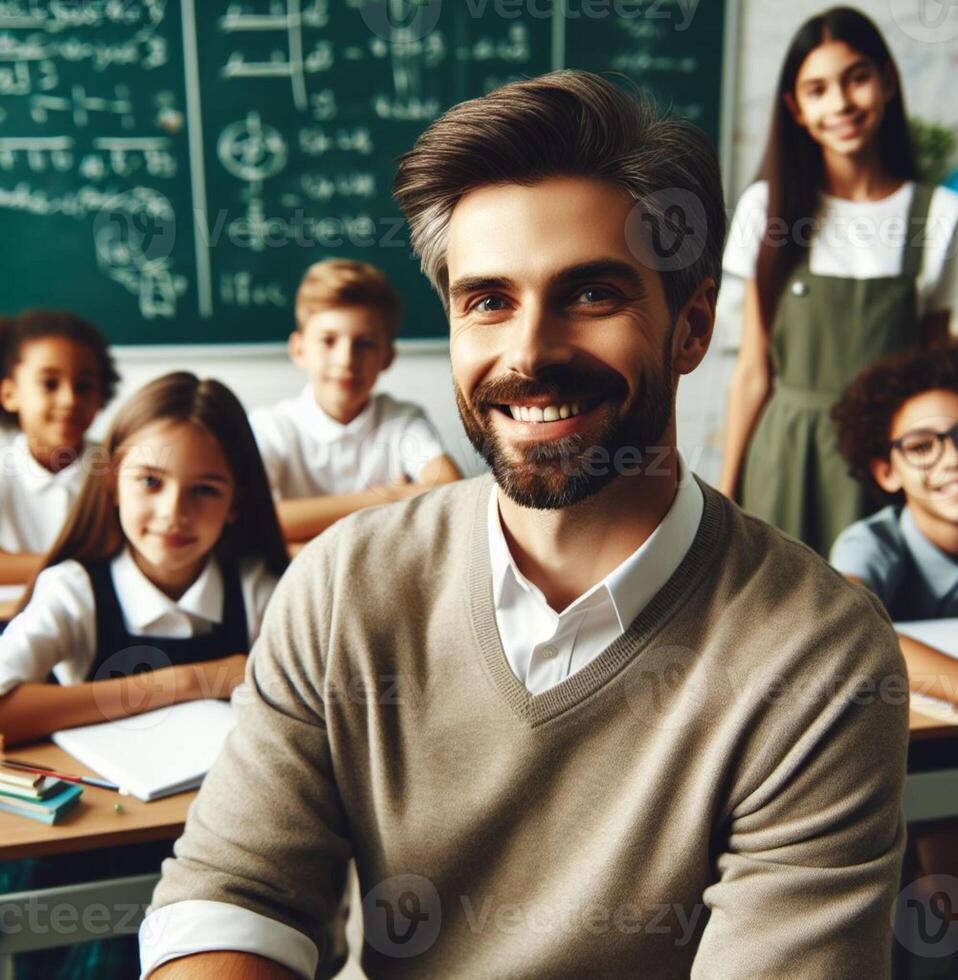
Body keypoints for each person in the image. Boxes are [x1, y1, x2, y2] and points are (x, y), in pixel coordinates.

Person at [140, 71, 907, 979]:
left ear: (692, 327)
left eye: (591, 294)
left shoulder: (819, 660)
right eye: (489, 300)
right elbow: (231, 897)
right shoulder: (343, 586)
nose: (530, 352)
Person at [0, 371, 288, 979]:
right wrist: (189, 681)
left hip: (225, 844)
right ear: (112, 484)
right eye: (150, 482)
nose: (172, 513)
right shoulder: (74, 588)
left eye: (204, 490)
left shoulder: (257, 585)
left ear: (237, 501)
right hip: (95, 850)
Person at [718, 6, 958, 557]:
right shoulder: (767, 209)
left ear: (886, 81)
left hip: (887, 463)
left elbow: (933, 378)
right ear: (796, 108)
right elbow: (752, 374)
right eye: (817, 89)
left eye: (856, 78)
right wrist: (724, 492)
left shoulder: (940, 216)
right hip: (785, 459)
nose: (839, 103)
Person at [249, 258, 462, 543]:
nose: (346, 360)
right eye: (328, 341)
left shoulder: (401, 420)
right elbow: (256, 522)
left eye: (364, 344)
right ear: (299, 350)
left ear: (387, 357)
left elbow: (450, 492)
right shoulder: (271, 427)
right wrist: (388, 498)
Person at [829, 342, 958, 711]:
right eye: (922, 446)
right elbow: (850, 628)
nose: (956, 461)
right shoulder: (870, 543)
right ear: (887, 472)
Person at [0, 309, 119, 584]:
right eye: (49, 384)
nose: (69, 400)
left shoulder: (119, 468)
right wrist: (77, 564)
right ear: (9, 394)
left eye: (84, 386)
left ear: (101, 396)